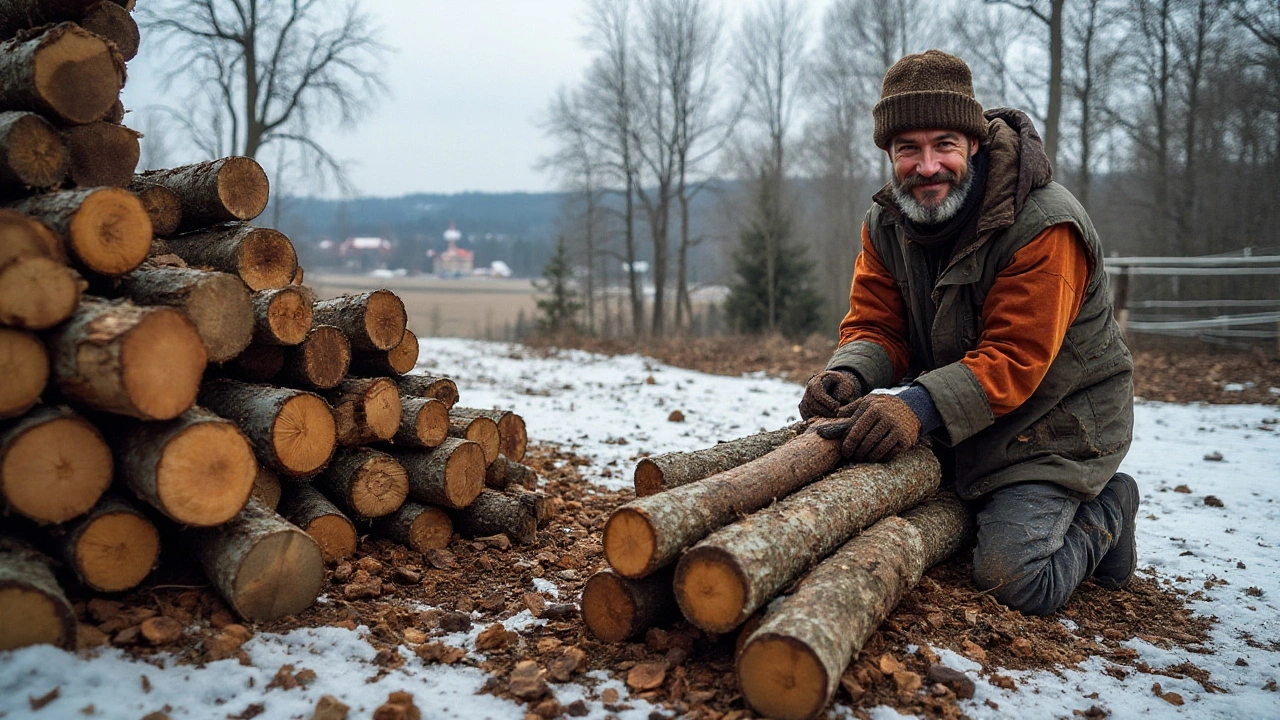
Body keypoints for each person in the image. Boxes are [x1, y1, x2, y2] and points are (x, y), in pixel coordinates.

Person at [800, 50, 1138, 616]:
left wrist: (915, 407)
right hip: (967, 417)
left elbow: (1014, 357)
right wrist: (849, 373)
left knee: (1013, 581)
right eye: (908, 148)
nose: (927, 166)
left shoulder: (1043, 224)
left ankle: (1109, 506)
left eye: (944, 145)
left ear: (974, 144)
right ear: (889, 152)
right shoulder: (886, 223)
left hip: (1055, 425)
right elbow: (877, 325)